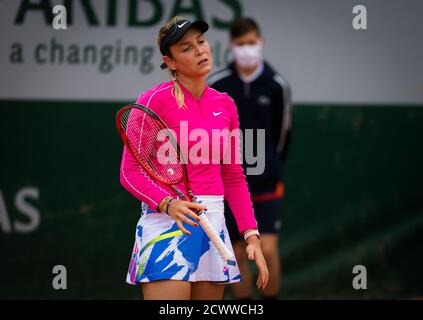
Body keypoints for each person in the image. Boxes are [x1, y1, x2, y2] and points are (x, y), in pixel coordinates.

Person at [119, 16, 269, 300]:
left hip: (214, 224)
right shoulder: (153, 101)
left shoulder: (225, 104)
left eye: (201, 42)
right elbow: (129, 172)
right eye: (186, 48)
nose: (200, 50)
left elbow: (233, 176)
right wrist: (167, 203)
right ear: (170, 61)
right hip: (166, 223)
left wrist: (251, 234)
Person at [208, 17, 292, 300]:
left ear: (261, 43)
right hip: (227, 185)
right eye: (241, 44)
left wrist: (270, 165)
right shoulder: (217, 84)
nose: (247, 49)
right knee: (237, 254)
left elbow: (283, 135)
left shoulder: (277, 85)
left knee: (266, 250)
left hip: (266, 182)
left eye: (252, 43)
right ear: (232, 46)